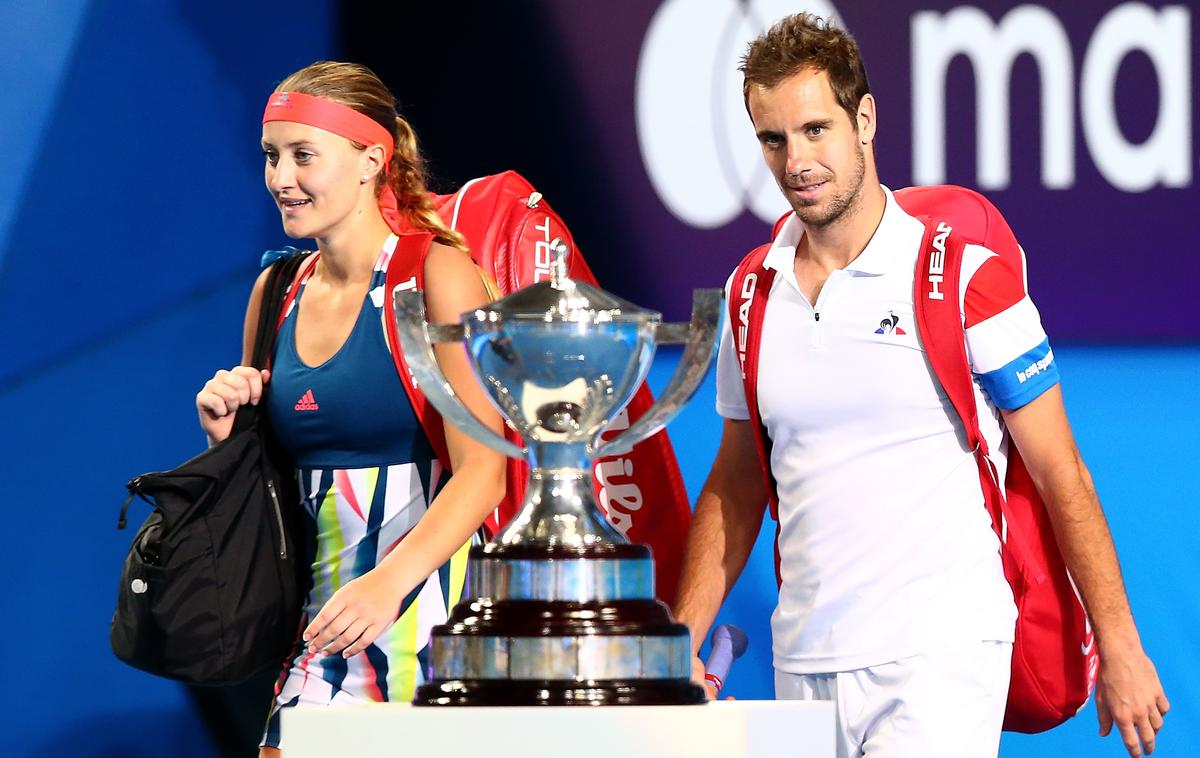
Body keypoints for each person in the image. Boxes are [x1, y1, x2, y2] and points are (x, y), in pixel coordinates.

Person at [671, 13, 1168, 758]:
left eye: (815, 130)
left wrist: (1120, 646)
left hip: (941, 658)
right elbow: (737, 483)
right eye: (773, 139)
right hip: (802, 664)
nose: (795, 161)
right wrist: (678, 640)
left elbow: (1061, 472)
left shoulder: (968, 276)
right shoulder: (749, 294)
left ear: (864, 119)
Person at [194, 61, 506, 756]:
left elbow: (486, 471)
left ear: (372, 159)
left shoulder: (437, 277)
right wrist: (226, 437)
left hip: (440, 632)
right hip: (318, 634)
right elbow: (259, 490)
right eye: (272, 155)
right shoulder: (275, 289)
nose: (282, 178)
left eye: (305, 155)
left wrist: (387, 584)